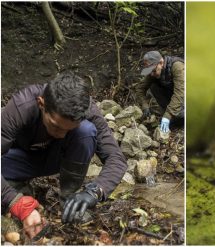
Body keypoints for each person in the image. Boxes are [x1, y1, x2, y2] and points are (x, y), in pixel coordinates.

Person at [1, 71, 127, 238]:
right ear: (41, 104)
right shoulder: (21, 106)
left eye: (68, 129)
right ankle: (15, 187)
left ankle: (69, 202)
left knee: (86, 131)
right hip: (18, 160)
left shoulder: (87, 110)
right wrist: (14, 201)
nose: (60, 134)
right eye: (55, 126)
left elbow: (116, 158)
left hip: (57, 159)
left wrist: (95, 192)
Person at [136, 50, 184, 133]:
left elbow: (180, 93)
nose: (151, 74)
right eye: (149, 71)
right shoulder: (153, 71)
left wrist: (167, 115)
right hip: (175, 98)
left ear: (161, 63)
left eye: (153, 71)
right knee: (153, 86)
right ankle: (176, 117)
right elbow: (140, 89)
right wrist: (145, 106)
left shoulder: (177, 66)